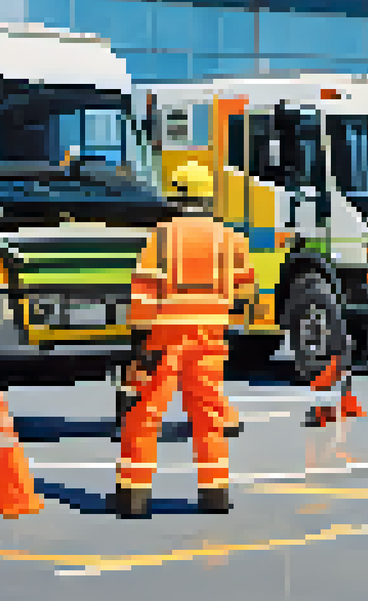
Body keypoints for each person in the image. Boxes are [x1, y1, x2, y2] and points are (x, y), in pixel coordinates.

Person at [115, 161, 255, 518]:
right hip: (209, 339)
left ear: (175, 197)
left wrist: (138, 346)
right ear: (208, 198)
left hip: (164, 338)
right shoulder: (231, 239)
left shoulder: (161, 237)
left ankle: (133, 497)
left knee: (144, 414)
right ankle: (214, 494)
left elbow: (144, 293)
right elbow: (245, 293)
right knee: (208, 416)